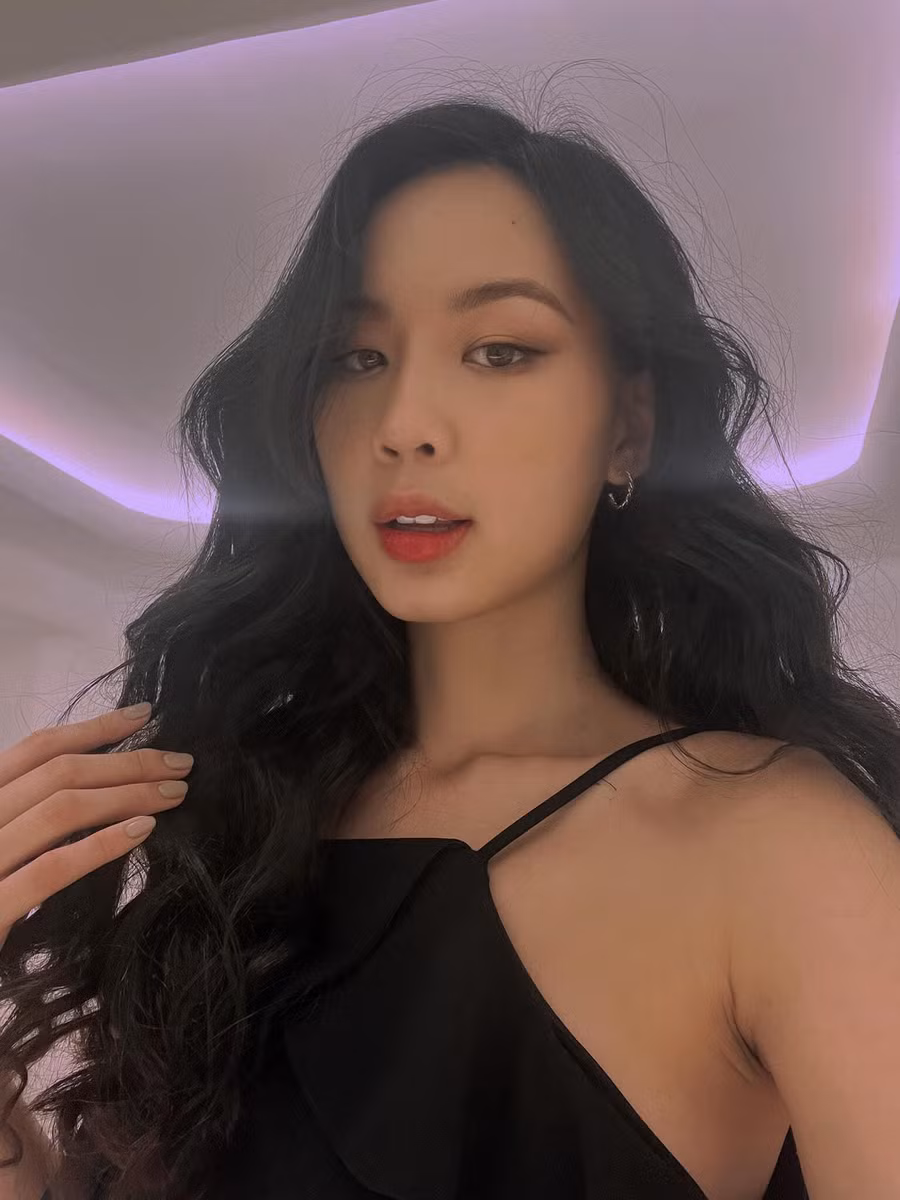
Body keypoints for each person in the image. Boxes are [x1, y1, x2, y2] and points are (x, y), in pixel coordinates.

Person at [1, 92, 898, 1200]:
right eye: (356, 358)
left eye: (500, 350)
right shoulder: (239, 829)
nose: (406, 425)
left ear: (629, 425)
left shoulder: (782, 851)